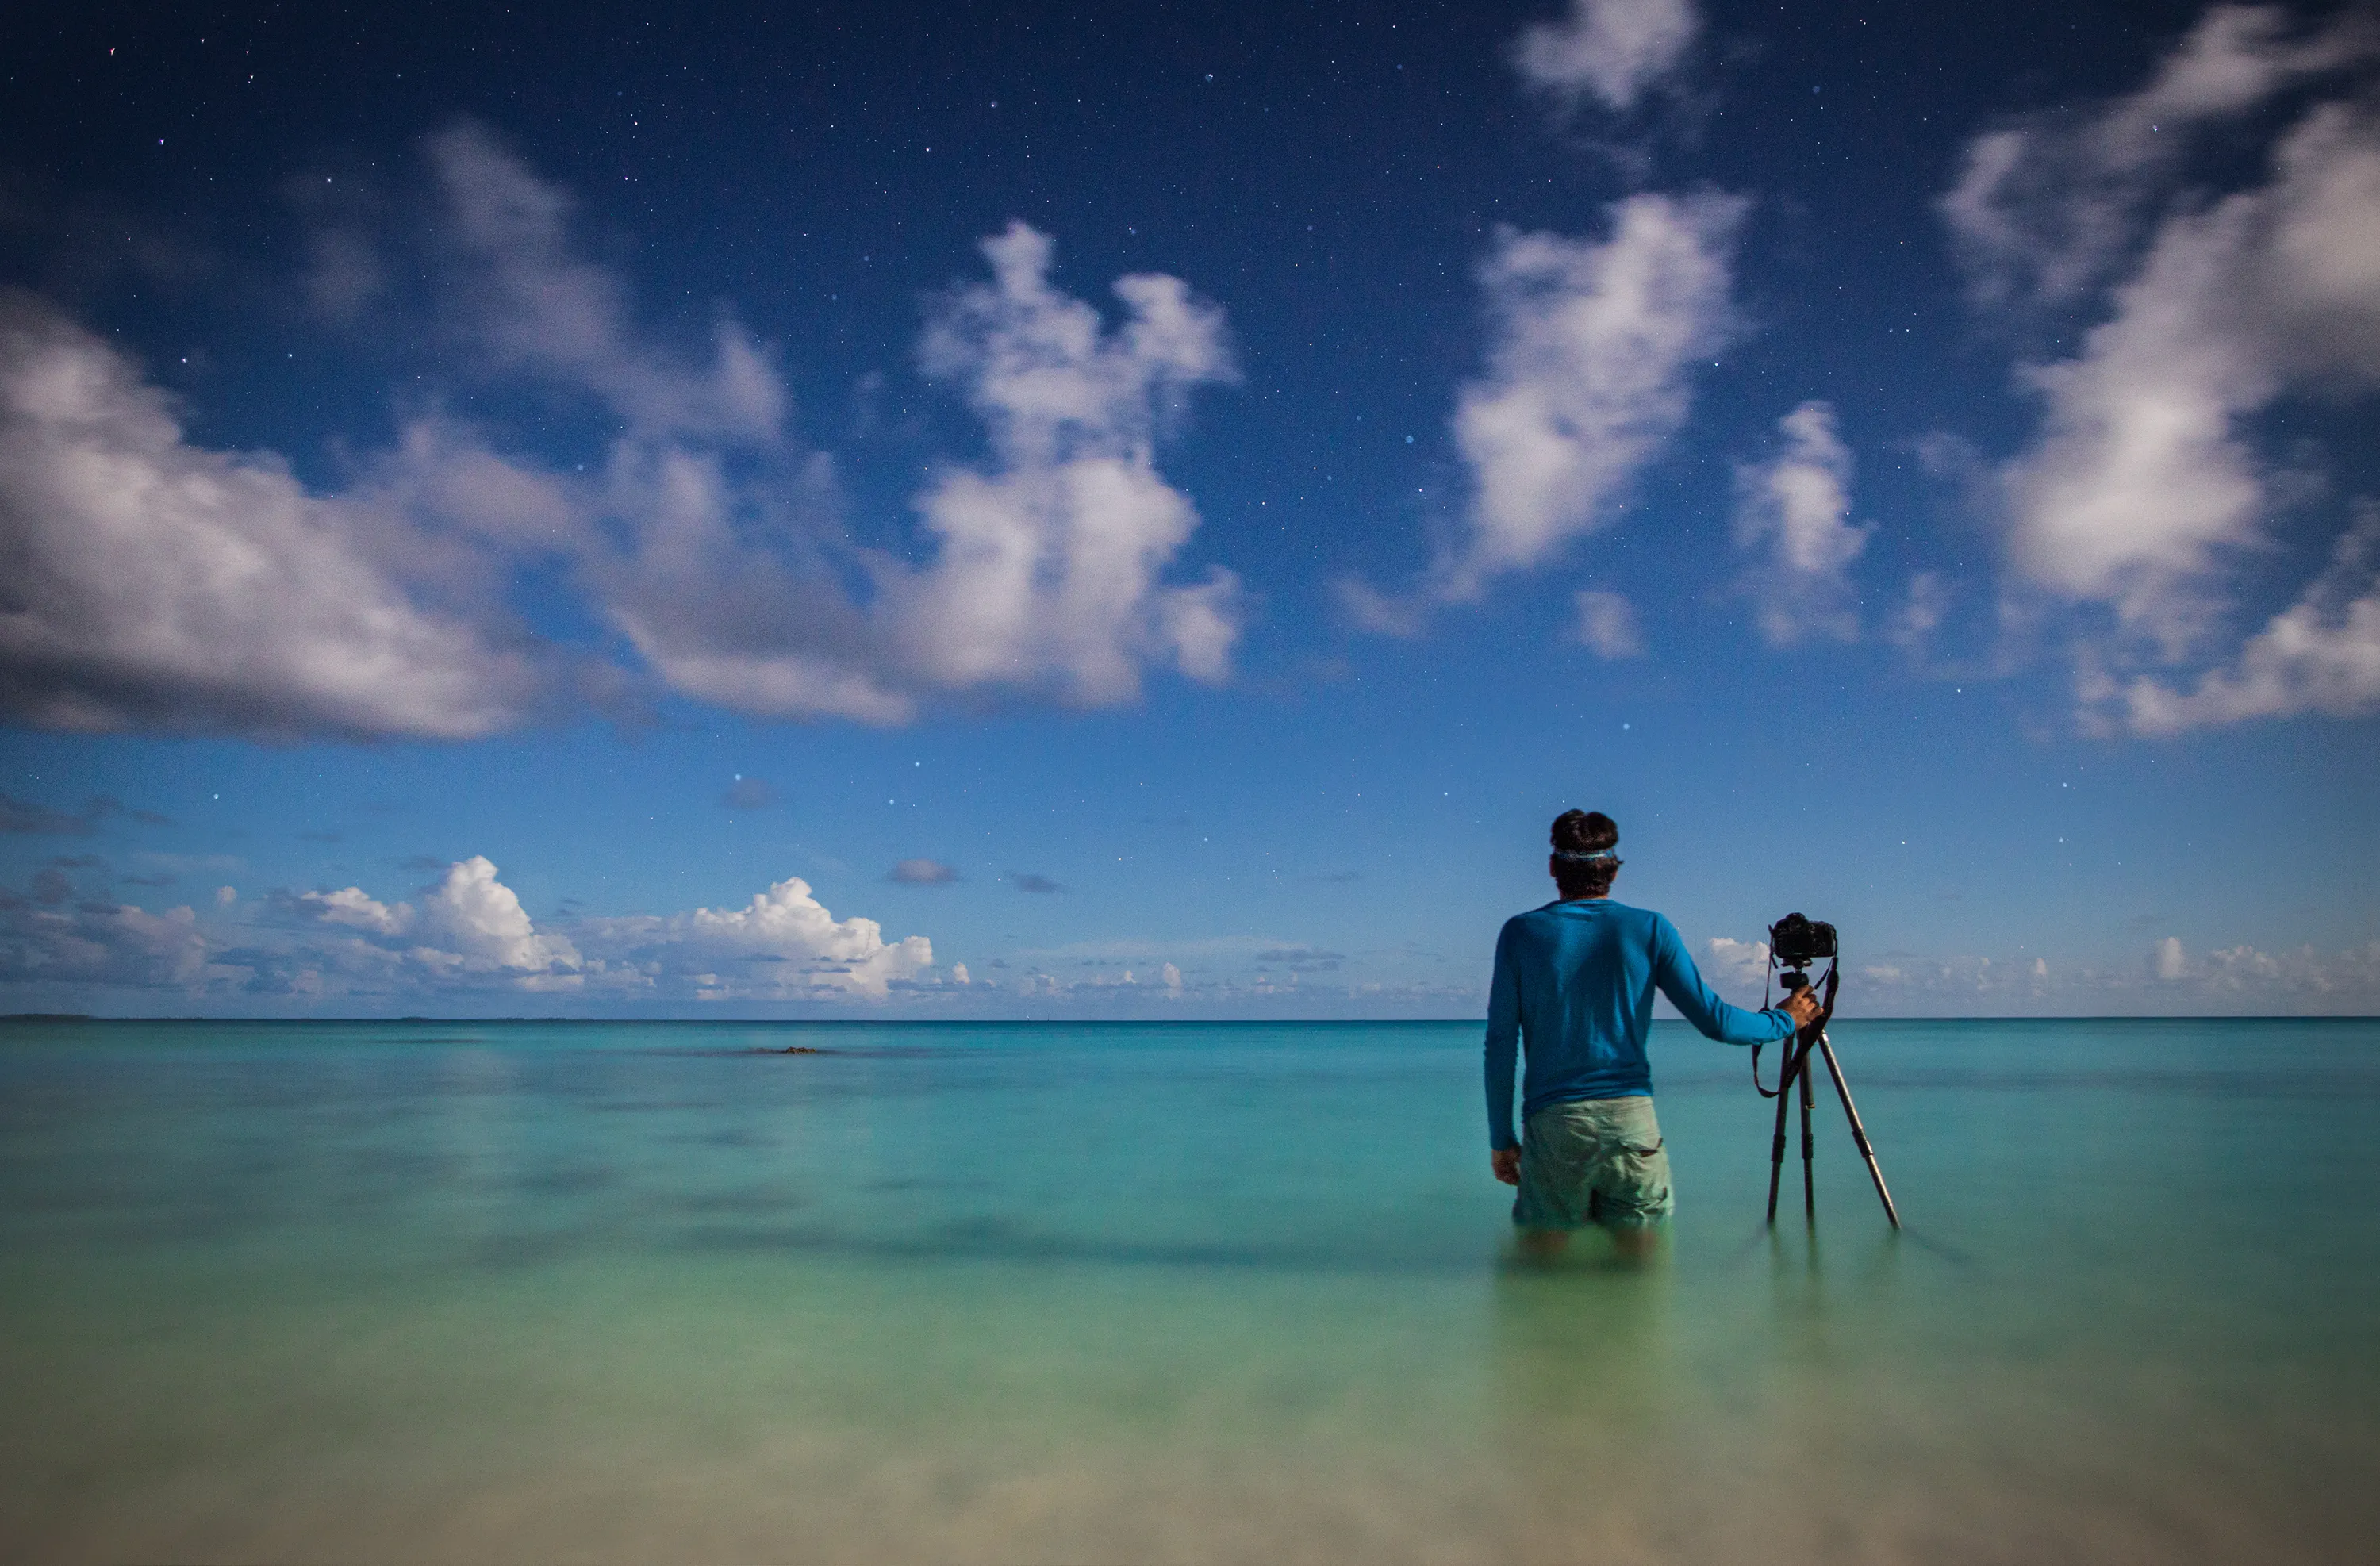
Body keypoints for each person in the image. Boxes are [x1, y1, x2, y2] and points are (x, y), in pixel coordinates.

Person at [1486, 809, 1820, 1257]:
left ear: (1553, 869)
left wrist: (1501, 1139)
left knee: (1542, 1274)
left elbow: (1501, 1046)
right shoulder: (1650, 929)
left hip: (1554, 1129)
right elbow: (1715, 1020)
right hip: (1631, 1127)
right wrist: (1785, 1020)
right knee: (1639, 1282)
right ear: (1613, 871)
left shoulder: (1520, 933)